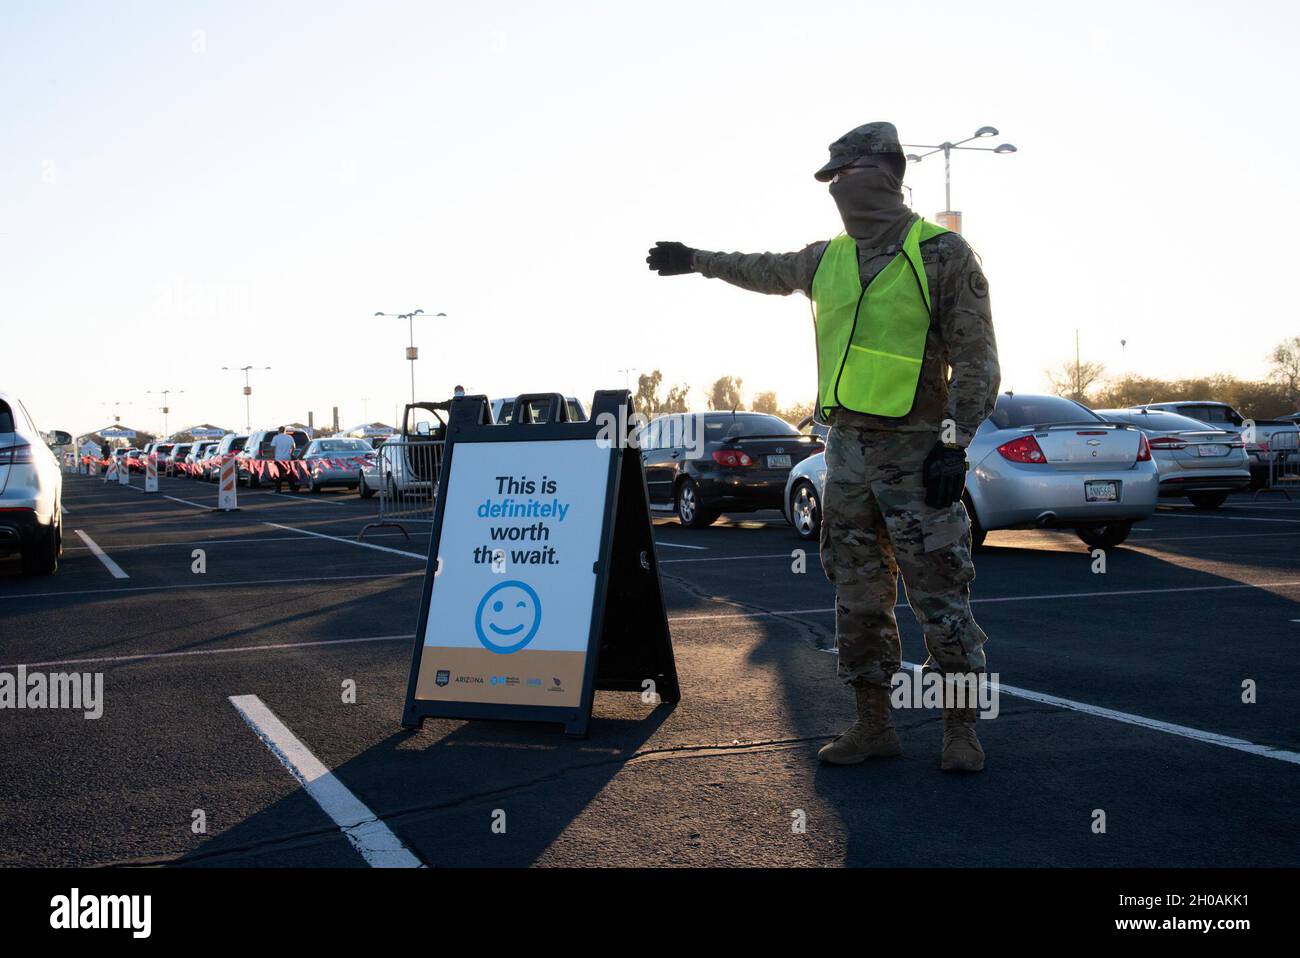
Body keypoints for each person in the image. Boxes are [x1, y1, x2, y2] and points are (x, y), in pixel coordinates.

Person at [646, 121, 1000, 773]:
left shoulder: (942, 253)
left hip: (919, 459)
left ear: (886, 171)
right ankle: (873, 725)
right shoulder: (827, 259)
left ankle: (960, 730)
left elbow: (979, 362)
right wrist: (697, 259)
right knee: (858, 602)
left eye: (847, 173)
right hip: (847, 463)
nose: (837, 188)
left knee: (941, 596)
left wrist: (953, 441)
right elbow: (764, 269)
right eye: (831, 179)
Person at [270, 426, 298, 493]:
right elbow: (294, 447)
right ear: (285, 431)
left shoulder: (275, 438)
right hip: (287, 458)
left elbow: (273, 448)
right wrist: (290, 453)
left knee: (278, 475)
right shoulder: (289, 437)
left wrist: (273, 456)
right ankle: (292, 488)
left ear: (279, 431)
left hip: (278, 459)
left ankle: (278, 489)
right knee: (289, 474)